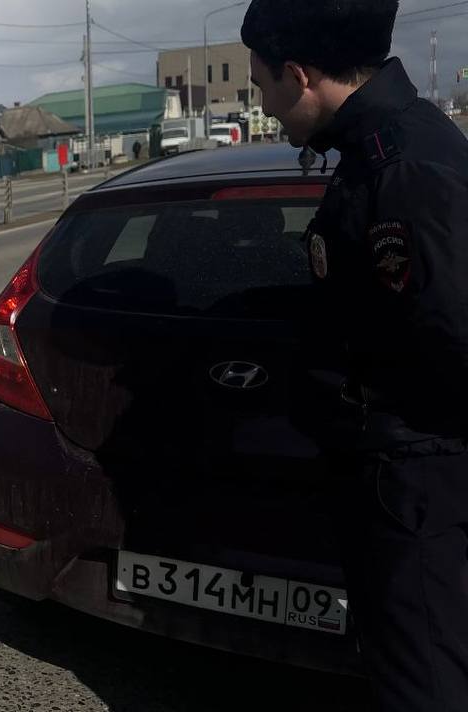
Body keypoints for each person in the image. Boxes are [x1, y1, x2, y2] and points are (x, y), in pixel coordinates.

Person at [243, 2, 468, 710]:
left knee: (424, 685)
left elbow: (454, 345)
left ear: (299, 76)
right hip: (398, 481)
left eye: (259, 84)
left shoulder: (406, 170)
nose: (261, 103)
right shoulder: (383, 149)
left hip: (418, 488)